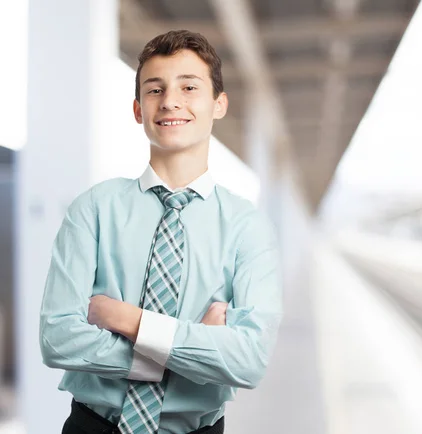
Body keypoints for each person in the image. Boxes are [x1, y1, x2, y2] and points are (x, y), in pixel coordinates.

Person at [39, 29, 283, 434]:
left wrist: (129, 320)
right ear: (138, 109)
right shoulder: (94, 208)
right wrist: (193, 348)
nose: (170, 100)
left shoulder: (248, 227)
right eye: (155, 90)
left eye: (189, 87)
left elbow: (249, 359)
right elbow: (58, 338)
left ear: (218, 104)